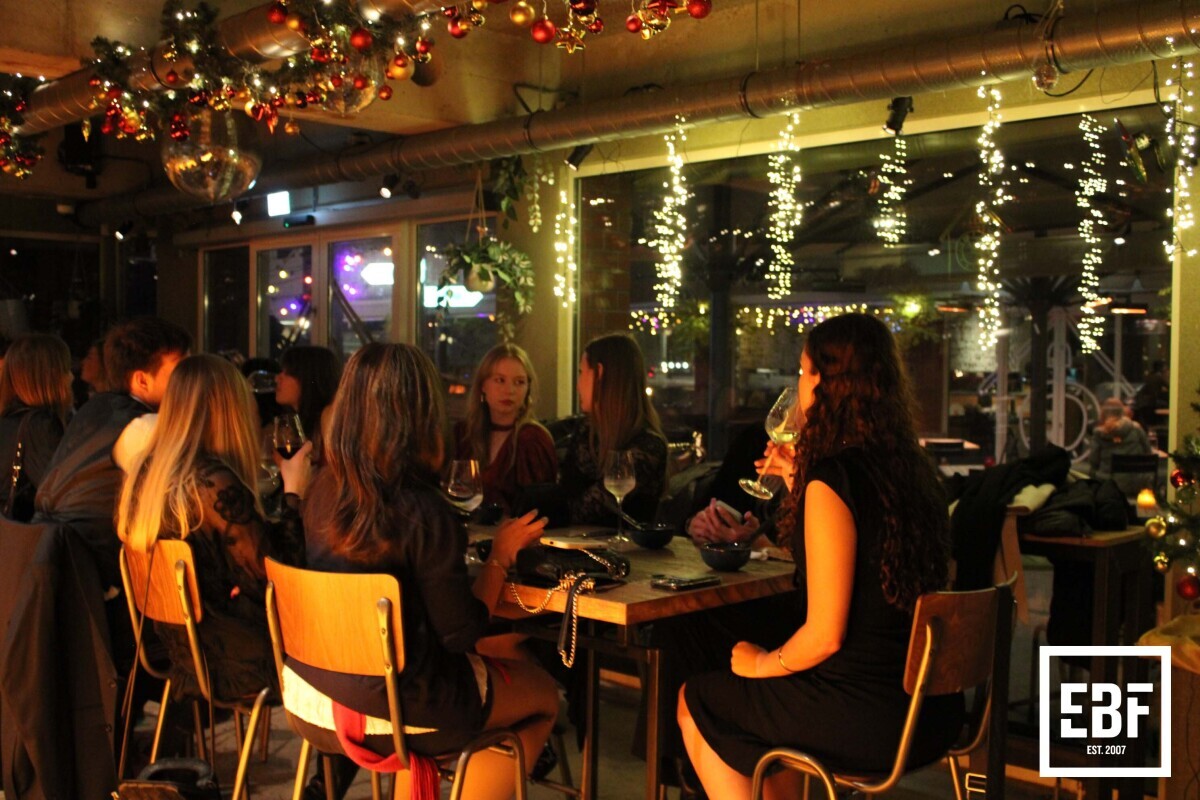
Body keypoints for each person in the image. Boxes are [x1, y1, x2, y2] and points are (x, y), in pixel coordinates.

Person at [678, 313, 963, 798]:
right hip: (931, 708)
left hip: (869, 714)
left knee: (698, 700)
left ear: (826, 384)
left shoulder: (835, 479)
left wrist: (762, 664)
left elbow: (825, 636)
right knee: (757, 708)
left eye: (803, 371)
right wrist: (800, 483)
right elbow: (865, 558)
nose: (798, 384)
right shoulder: (913, 471)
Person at [295, 343, 558, 800]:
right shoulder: (421, 510)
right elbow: (462, 633)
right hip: (399, 708)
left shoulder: (321, 491)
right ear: (420, 414)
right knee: (543, 696)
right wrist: (499, 556)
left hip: (314, 695)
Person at [116, 354, 310, 701]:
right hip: (234, 661)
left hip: (182, 653)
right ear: (229, 412)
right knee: (340, 648)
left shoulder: (150, 472)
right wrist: (294, 491)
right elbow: (277, 582)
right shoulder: (211, 483)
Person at [35, 317, 192, 588]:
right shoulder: (145, 427)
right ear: (142, 380)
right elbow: (186, 501)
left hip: (53, 560)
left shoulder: (95, 409)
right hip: (95, 577)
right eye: (181, 371)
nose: (191, 380)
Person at [560, 333, 668, 525]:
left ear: (599, 373)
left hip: (627, 546)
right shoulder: (585, 433)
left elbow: (585, 511)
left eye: (581, 372)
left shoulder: (648, 446)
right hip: (571, 541)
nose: (577, 386)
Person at [454, 343, 557, 515]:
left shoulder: (532, 439)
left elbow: (539, 509)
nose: (509, 390)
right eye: (500, 380)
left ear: (527, 389)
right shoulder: (464, 434)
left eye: (519, 382)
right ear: (483, 386)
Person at [0, 334, 73, 521]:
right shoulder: (39, 426)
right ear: (48, 377)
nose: (71, 377)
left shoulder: (8, 420)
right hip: (25, 532)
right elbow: (59, 495)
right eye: (65, 370)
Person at [274, 345, 342, 457]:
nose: (277, 378)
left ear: (308, 377)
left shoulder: (328, 422)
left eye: (288, 373)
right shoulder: (294, 423)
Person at [1089, 397, 1153, 496]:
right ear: (1122, 412)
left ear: (1103, 413)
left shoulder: (1099, 433)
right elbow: (1148, 453)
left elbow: (1094, 460)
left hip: (1109, 485)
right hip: (1137, 484)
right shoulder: (1136, 428)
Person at [1134, 359, 1169, 429]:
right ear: (1161, 368)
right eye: (1165, 367)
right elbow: (1169, 387)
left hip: (1143, 404)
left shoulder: (1149, 376)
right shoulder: (1158, 377)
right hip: (1151, 403)